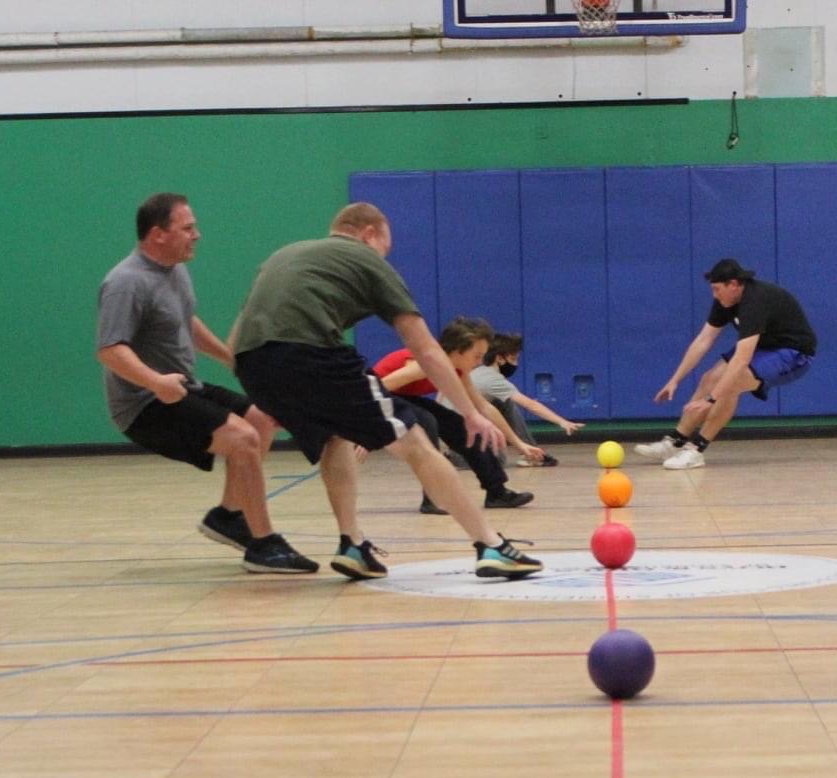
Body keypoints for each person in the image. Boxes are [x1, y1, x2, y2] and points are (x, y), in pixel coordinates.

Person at [228, 203, 542, 581]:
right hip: (311, 354)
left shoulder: (283, 256)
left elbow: (236, 338)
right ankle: (491, 545)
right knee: (416, 441)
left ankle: (352, 545)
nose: (384, 256)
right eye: (384, 247)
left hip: (250, 363)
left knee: (335, 436)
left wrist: (275, 390)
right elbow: (426, 349)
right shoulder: (365, 258)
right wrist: (471, 415)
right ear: (369, 234)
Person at [96, 192, 313, 574]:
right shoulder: (125, 283)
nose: (196, 235)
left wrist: (229, 357)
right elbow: (110, 350)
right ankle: (264, 545)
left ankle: (228, 516)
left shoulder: (175, 271)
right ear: (158, 234)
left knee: (262, 420)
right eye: (187, 228)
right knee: (243, 439)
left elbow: (186, 321)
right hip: (145, 404)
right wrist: (156, 382)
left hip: (183, 387)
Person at [633, 258, 817, 470]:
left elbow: (740, 361)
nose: (714, 295)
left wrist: (711, 399)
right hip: (764, 346)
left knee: (731, 383)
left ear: (734, 284)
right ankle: (674, 443)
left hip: (793, 353)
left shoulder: (755, 302)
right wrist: (675, 379)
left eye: (717, 289)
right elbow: (704, 340)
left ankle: (696, 450)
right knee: (709, 378)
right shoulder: (725, 301)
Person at [371, 316, 535, 515]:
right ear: (458, 350)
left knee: (467, 428)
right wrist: (367, 430)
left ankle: (497, 493)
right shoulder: (424, 363)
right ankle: (434, 498)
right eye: (477, 356)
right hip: (375, 395)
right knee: (427, 421)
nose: (480, 362)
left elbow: (483, 407)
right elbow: (376, 389)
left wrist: (519, 444)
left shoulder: (459, 370)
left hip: (402, 397)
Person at [472, 331, 584, 467]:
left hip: (462, 427)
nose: (516, 364)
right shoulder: (494, 380)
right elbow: (530, 405)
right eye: (513, 359)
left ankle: (530, 453)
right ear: (499, 359)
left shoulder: (477, 372)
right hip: (460, 434)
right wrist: (562, 422)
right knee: (496, 461)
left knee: (504, 401)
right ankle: (456, 456)